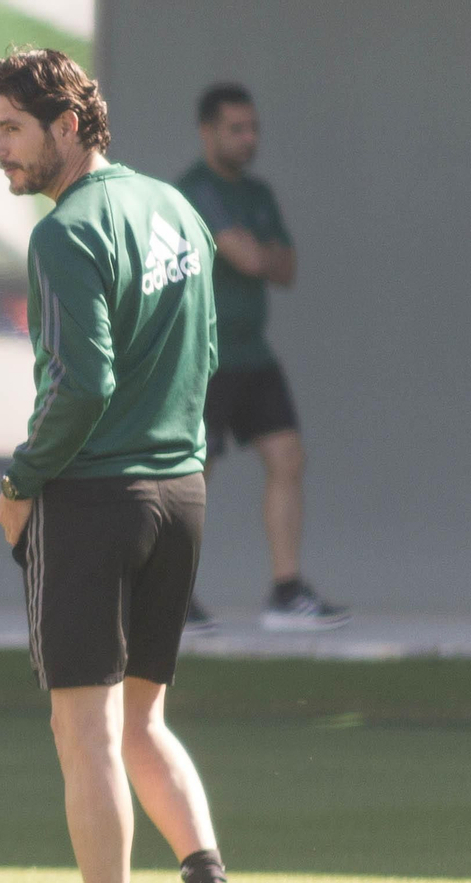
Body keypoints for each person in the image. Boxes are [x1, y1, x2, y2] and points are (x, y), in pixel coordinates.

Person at [0, 50, 250, 883]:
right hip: (182, 493)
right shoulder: (176, 206)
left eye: (11, 129)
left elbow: (81, 385)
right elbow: (209, 348)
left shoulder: (66, 235)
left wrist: (18, 483)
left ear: (67, 124)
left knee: (84, 733)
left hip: (94, 501)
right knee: (142, 721)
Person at [178, 84, 348, 632]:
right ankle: (172, 597)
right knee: (192, 474)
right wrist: (258, 253)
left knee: (288, 458)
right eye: (236, 129)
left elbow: (287, 268)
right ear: (208, 132)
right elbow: (251, 258)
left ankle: (286, 591)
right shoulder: (196, 190)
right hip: (203, 355)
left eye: (253, 129)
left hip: (254, 354)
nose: (249, 139)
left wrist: (259, 253)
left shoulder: (258, 193)